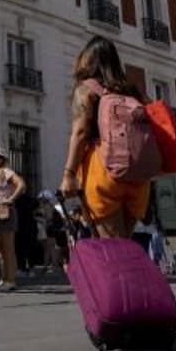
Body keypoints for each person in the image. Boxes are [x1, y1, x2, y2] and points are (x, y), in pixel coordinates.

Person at [59, 36, 151, 238]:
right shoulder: (131, 91)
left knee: (113, 251)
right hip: (138, 178)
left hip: (102, 172)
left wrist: (69, 174)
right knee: (125, 247)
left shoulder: (87, 89)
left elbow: (81, 132)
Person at [0, 145, 25, 292]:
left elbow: (21, 184)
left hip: (5, 211)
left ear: (1, 159)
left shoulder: (6, 172)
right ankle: (4, 279)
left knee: (8, 247)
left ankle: (11, 280)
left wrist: (11, 199)